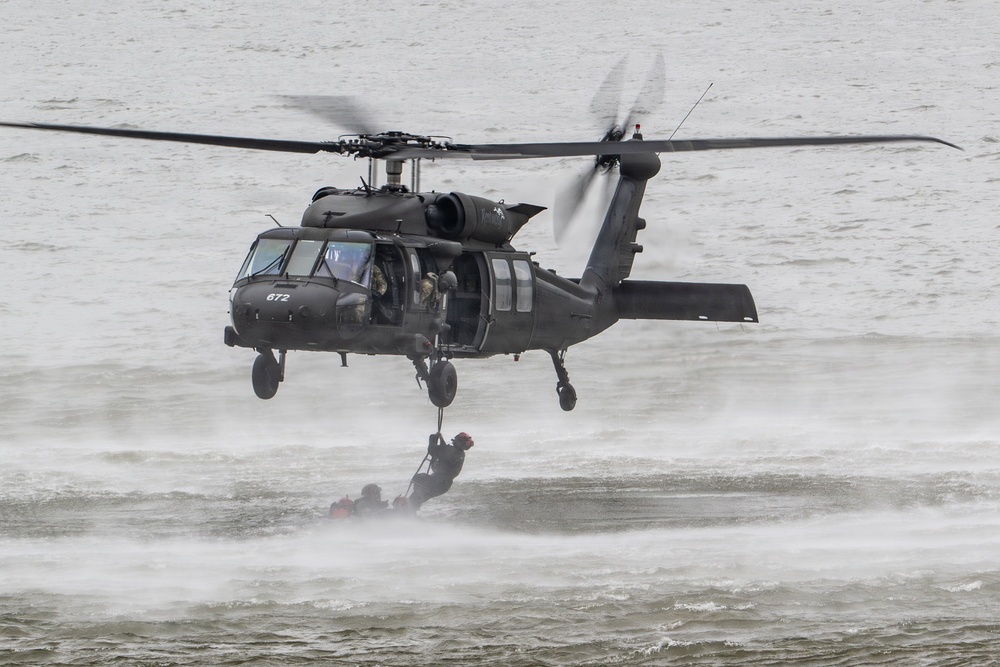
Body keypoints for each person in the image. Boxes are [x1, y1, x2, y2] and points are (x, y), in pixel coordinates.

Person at [408, 432, 474, 510]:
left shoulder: (452, 451)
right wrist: (441, 439)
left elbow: (432, 449)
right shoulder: (460, 454)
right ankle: (411, 511)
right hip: (443, 486)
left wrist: (433, 438)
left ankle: (407, 510)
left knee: (418, 478)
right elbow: (444, 452)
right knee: (417, 498)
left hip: (437, 482)